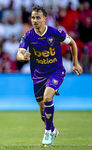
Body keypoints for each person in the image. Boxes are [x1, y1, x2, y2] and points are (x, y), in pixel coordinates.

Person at [17, 5, 83, 147]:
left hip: (56, 72)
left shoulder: (55, 33)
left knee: (48, 97)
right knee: (42, 110)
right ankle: (52, 129)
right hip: (38, 76)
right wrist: (22, 56)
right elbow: (19, 52)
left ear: (45, 19)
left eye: (38, 18)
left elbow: (72, 43)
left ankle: (47, 131)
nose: (35, 20)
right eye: (33, 17)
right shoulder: (28, 35)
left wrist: (75, 63)